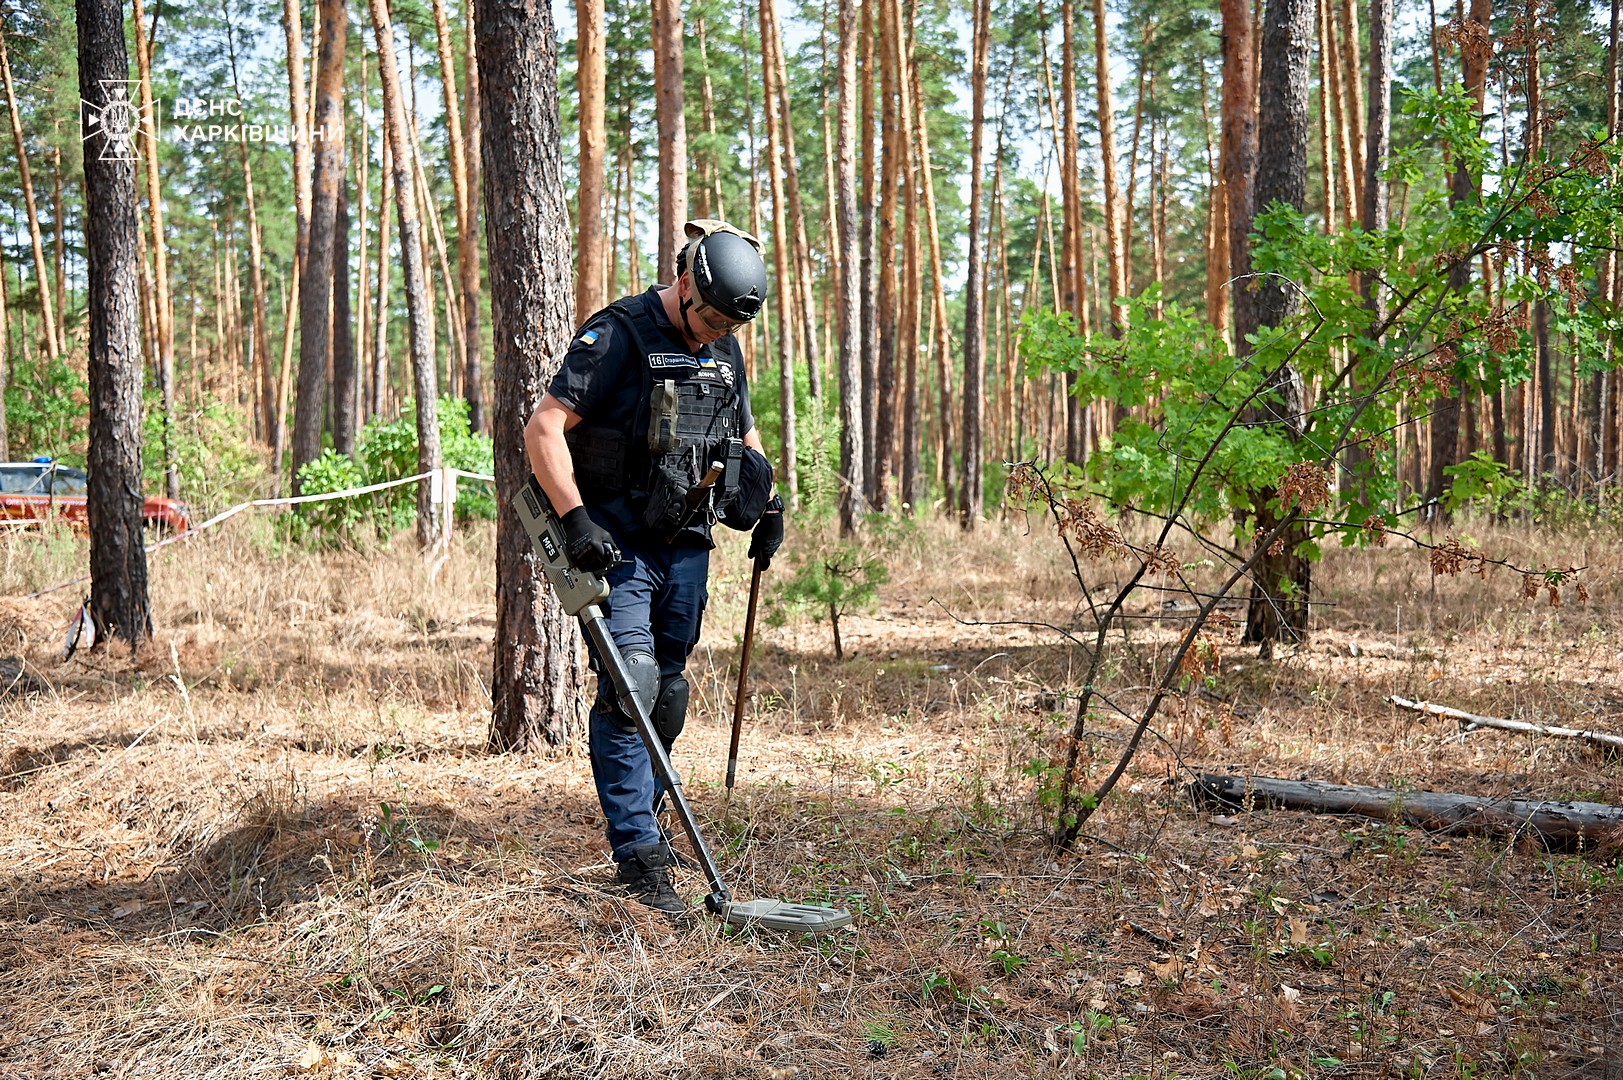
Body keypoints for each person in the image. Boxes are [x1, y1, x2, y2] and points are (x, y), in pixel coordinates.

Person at [524, 219, 784, 914]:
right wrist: (575, 517)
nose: (712, 334)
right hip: (618, 542)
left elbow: (741, 429)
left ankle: (650, 815)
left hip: (687, 539)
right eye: (707, 318)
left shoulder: (722, 345)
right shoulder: (617, 334)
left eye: (727, 325)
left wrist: (770, 498)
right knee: (629, 682)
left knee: (667, 690)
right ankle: (635, 848)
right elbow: (543, 426)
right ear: (684, 284)